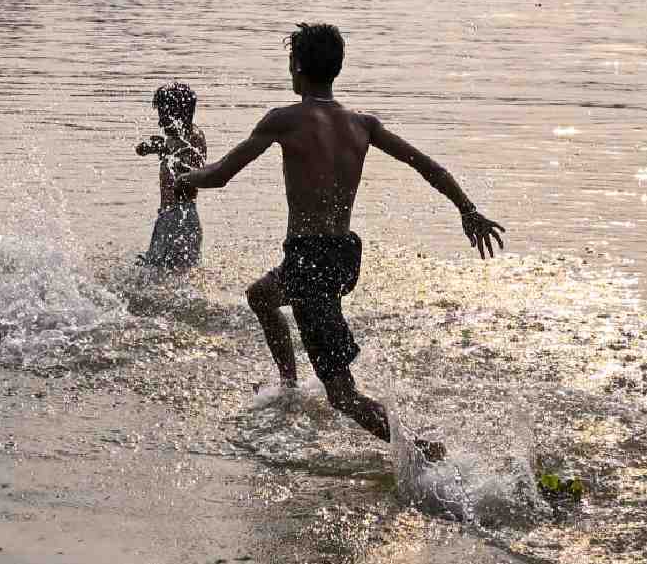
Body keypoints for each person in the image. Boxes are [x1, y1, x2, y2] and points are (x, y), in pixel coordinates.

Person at [177, 23, 506, 458]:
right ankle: (290, 386)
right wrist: (467, 209)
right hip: (341, 255)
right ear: (337, 68)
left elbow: (219, 176)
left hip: (310, 260)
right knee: (261, 296)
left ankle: (425, 451)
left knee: (343, 397)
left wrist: (186, 178)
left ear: (296, 68)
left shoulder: (285, 119)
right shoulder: (362, 124)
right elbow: (429, 167)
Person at [134, 83, 208, 272]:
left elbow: (196, 169)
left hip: (177, 218)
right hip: (178, 217)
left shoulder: (192, 138)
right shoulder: (180, 139)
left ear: (178, 114)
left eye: (163, 117)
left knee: (153, 273)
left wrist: (167, 150)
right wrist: (156, 148)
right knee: (164, 275)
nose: (160, 123)